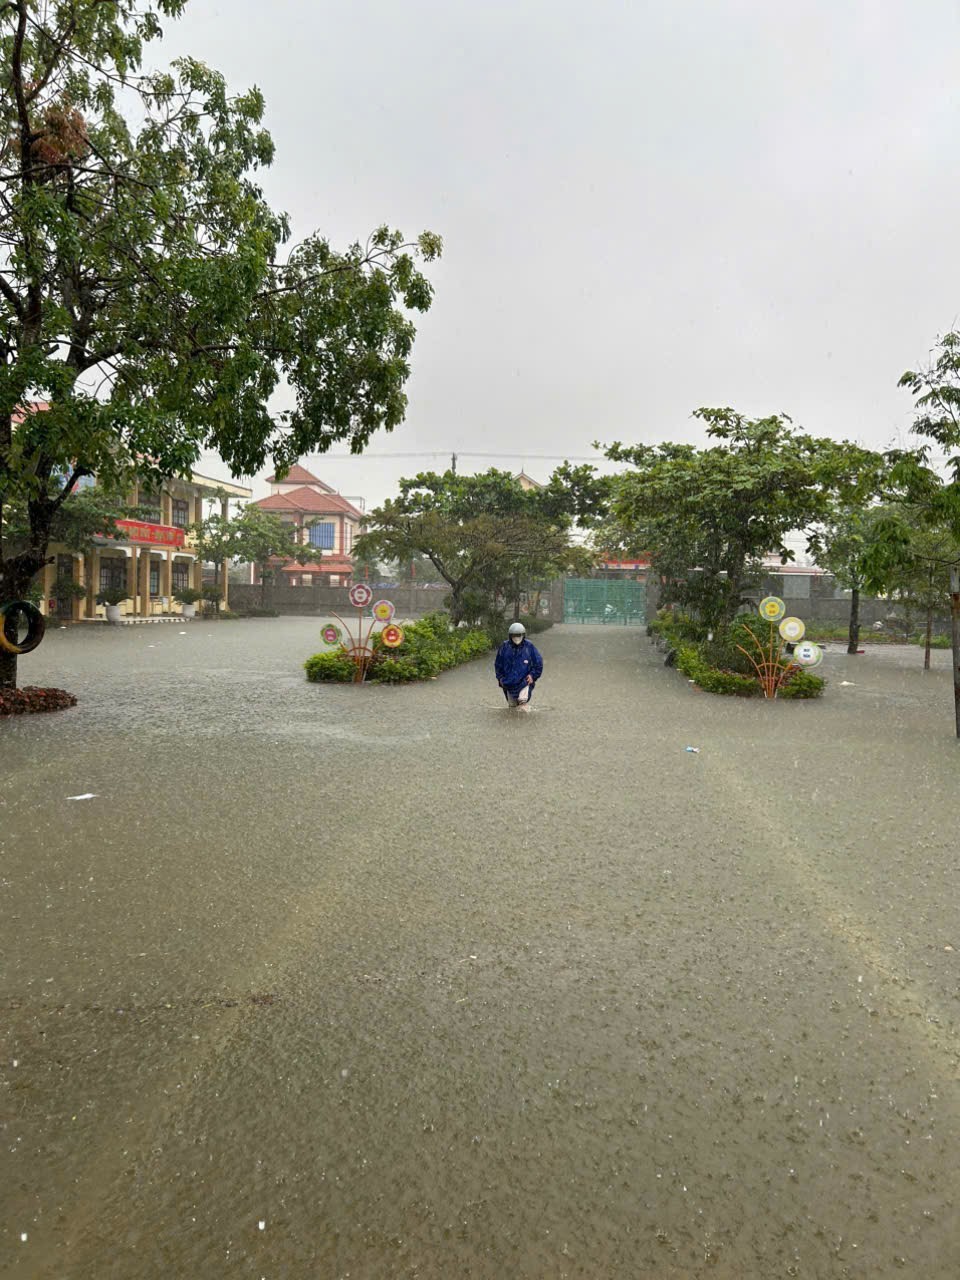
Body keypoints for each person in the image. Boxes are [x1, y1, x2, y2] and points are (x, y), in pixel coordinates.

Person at [495, 621, 543, 712]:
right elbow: (498, 664)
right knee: (512, 708)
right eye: (514, 635)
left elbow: (538, 663)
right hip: (508, 682)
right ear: (510, 636)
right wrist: (500, 678)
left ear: (523, 635)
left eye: (519, 635)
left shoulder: (529, 646)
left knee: (523, 704)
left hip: (524, 681)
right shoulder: (504, 647)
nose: (517, 638)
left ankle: (524, 723)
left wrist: (533, 675)